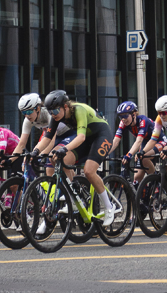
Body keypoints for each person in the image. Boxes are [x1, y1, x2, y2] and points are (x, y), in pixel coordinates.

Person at [33, 89, 116, 225]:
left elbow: (81, 137)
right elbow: (47, 138)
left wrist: (64, 148)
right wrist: (35, 152)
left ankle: (109, 207)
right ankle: (76, 196)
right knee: (57, 159)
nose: (52, 115)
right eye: (50, 112)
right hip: (87, 140)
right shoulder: (56, 117)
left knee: (89, 171)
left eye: (55, 111)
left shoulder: (79, 110)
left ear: (65, 106)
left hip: (101, 136)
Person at [110, 100, 156, 184]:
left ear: (133, 114)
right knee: (137, 177)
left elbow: (138, 141)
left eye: (125, 116)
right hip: (145, 141)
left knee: (144, 158)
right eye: (121, 117)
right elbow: (116, 141)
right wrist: (106, 153)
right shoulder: (123, 123)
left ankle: (156, 182)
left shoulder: (143, 120)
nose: (123, 119)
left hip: (156, 140)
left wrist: (129, 154)